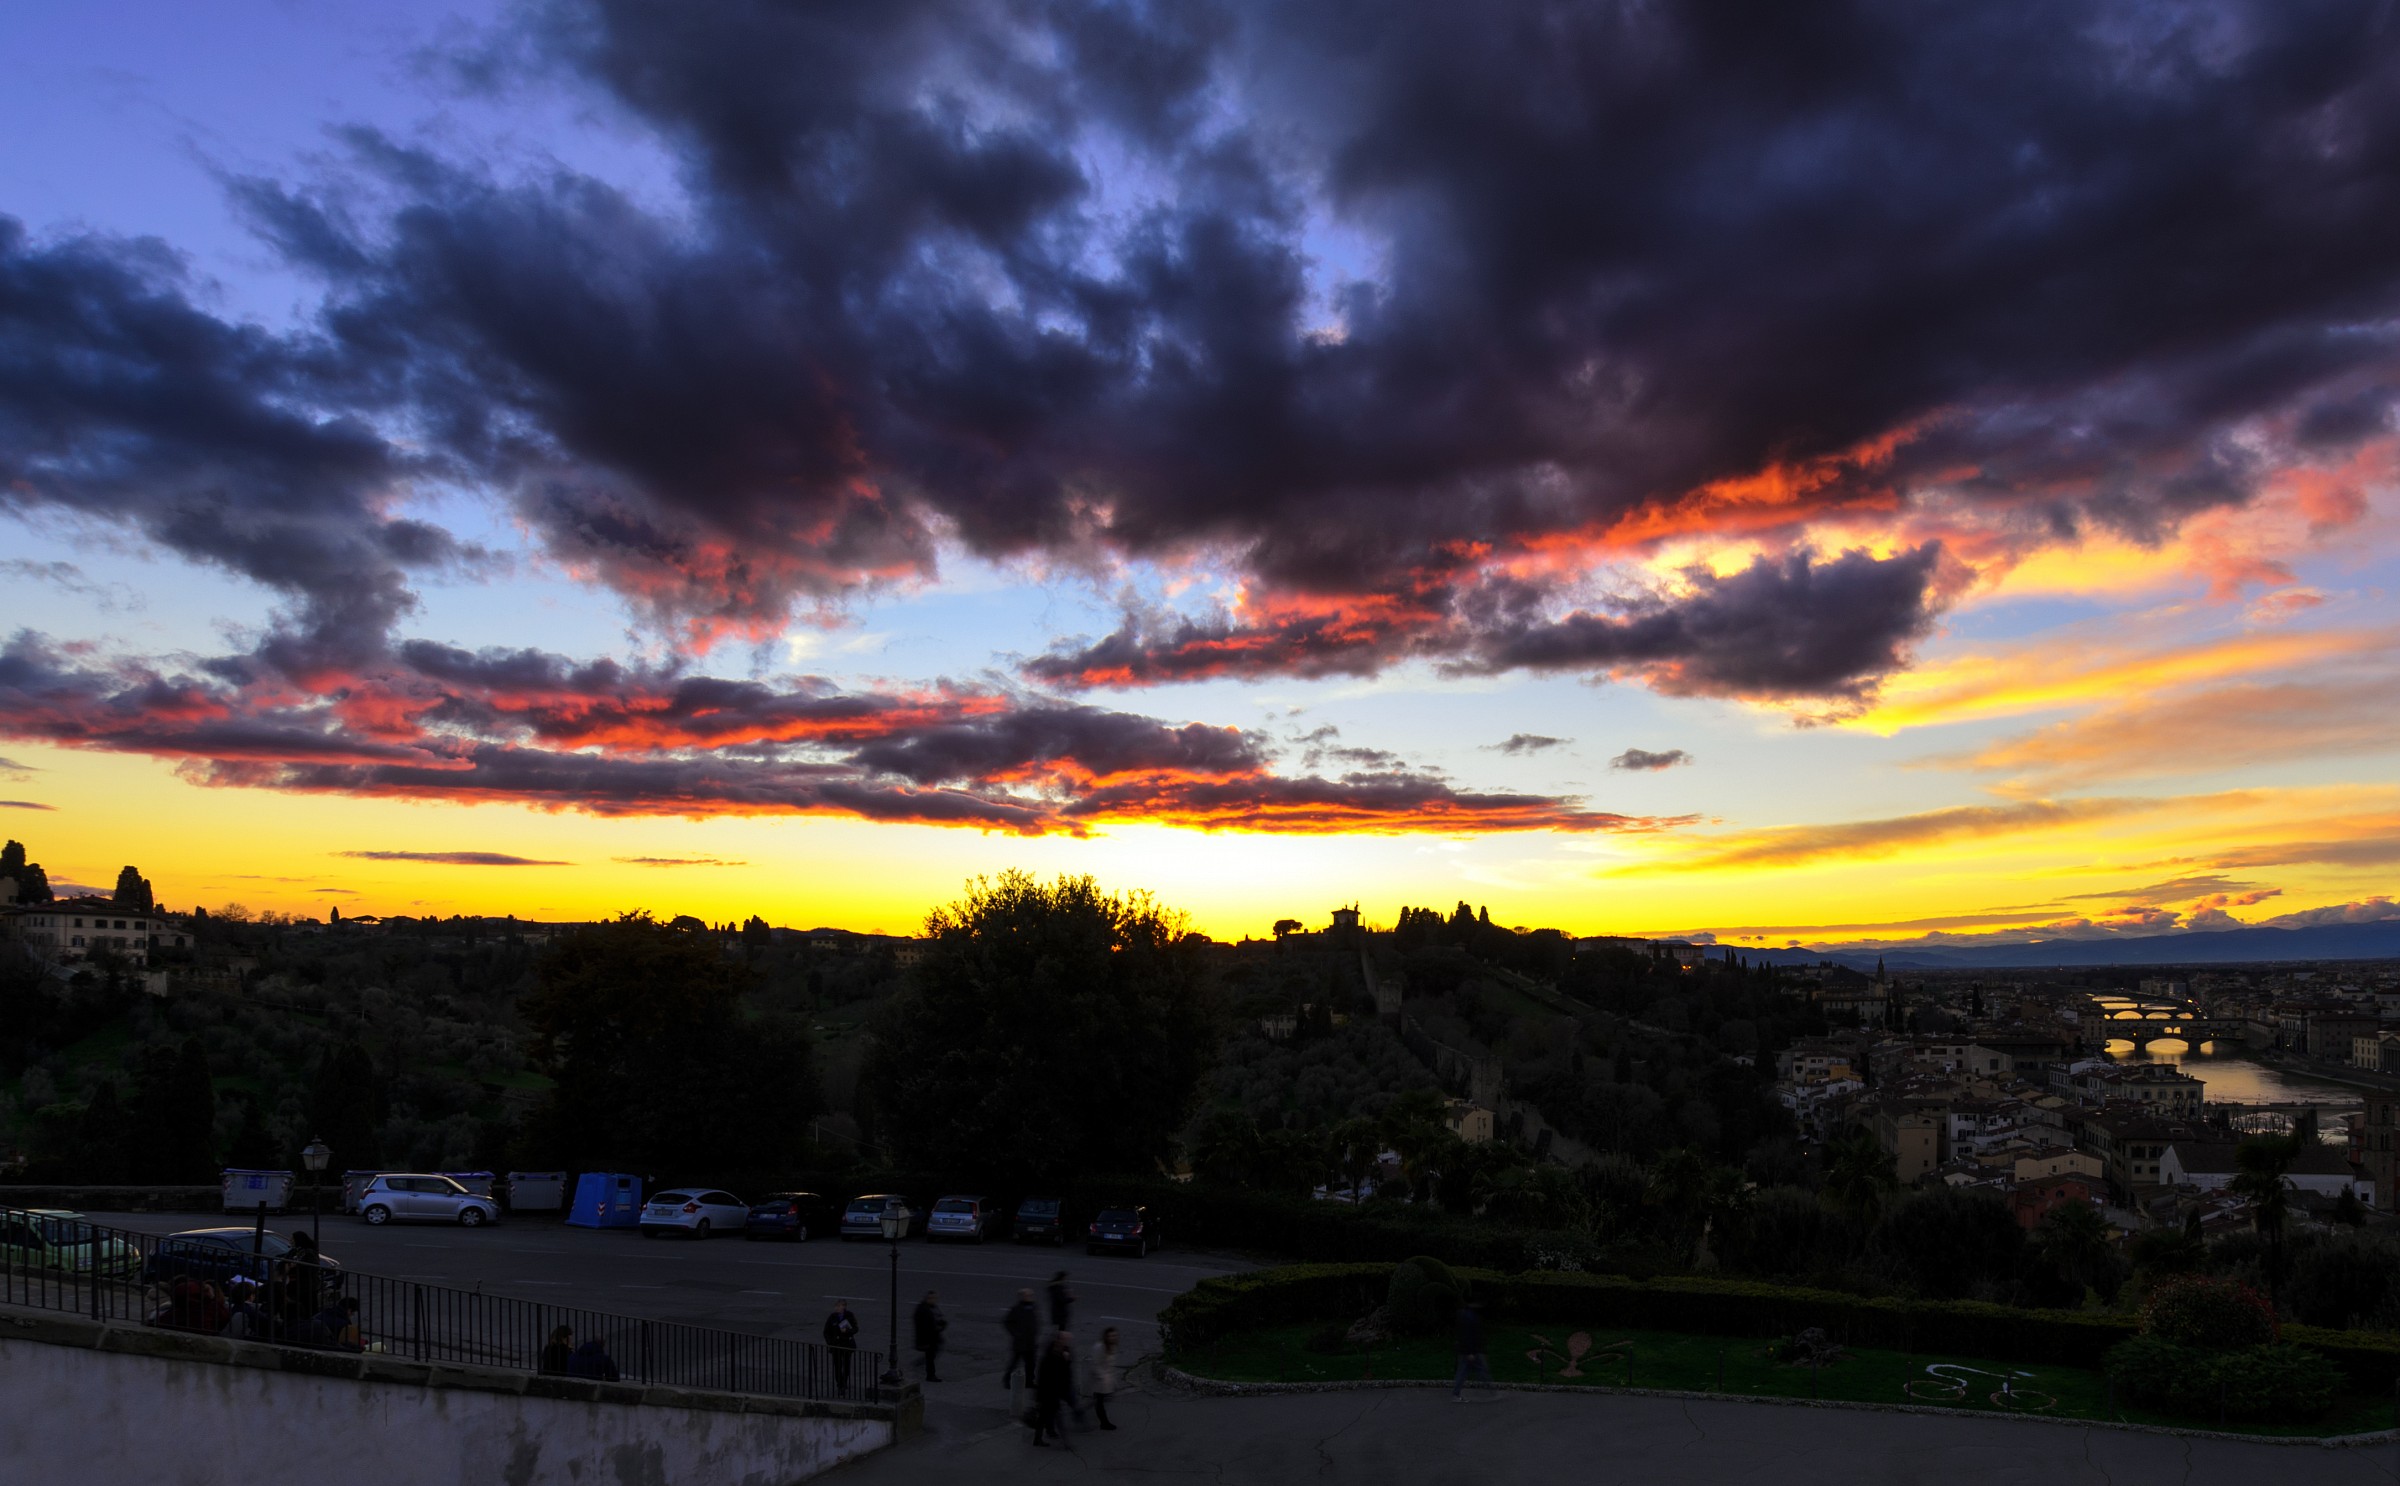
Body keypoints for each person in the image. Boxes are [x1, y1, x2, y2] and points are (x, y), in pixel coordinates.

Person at [1033, 1331, 1075, 1447]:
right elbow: (1051, 1377)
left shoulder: (1056, 1356)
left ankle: (1038, 1438)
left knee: (1044, 1417)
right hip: (1049, 1394)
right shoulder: (1050, 1359)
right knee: (1057, 1417)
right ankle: (1065, 1442)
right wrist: (1065, 1362)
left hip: (1049, 1393)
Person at [1451, 1301, 1493, 1400]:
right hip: (1471, 1350)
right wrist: (1470, 1352)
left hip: (1467, 1350)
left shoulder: (1464, 1316)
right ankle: (1490, 1389)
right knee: (1475, 1370)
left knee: (1464, 1371)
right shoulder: (1471, 1318)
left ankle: (1456, 1393)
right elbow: (1469, 1336)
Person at [1002, 1289, 1040, 1390]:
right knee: (1014, 1362)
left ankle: (1029, 1381)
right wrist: (1015, 1333)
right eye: (1028, 1295)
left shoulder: (1032, 1307)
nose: (1031, 1297)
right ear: (1022, 1296)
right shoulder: (1016, 1309)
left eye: (1031, 1295)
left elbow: (1035, 1321)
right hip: (1020, 1342)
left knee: (1031, 1363)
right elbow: (1007, 1322)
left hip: (1031, 1341)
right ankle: (1007, 1380)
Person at [1088, 1327, 1121, 1430]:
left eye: (1114, 1336)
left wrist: (1113, 1381)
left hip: (1106, 1379)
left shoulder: (1113, 1347)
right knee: (1099, 1401)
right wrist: (1103, 1377)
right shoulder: (1100, 1347)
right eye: (1110, 1336)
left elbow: (1111, 1366)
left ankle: (1101, 1420)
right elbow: (1095, 1364)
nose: (1113, 1338)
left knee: (1100, 1400)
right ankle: (1104, 1423)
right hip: (1099, 1379)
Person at [822, 1300, 860, 1392]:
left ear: (844, 1307)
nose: (837, 1308)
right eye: (836, 1306)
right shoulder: (832, 1317)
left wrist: (847, 1331)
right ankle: (840, 1384)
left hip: (847, 1344)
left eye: (839, 1306)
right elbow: (826, 1332)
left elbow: (856, 1328)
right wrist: (830, 1343)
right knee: (838, 1366)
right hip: (836, 1345)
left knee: (846, 1365)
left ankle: (845, 1382)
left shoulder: (850, 1315)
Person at [912, 1288, 948, 1382]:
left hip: (933, 1337)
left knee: (931, 1356)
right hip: (928, 1338)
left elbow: (939, 1318)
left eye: (935, 1298)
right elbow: (923, 1326)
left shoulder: (931, 1307)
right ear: (927, 1298)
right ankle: (930, 1375)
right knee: (930, 1357)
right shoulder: (923, 1309)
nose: (934, 1300)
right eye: (932, 1298)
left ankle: (927, 1370)